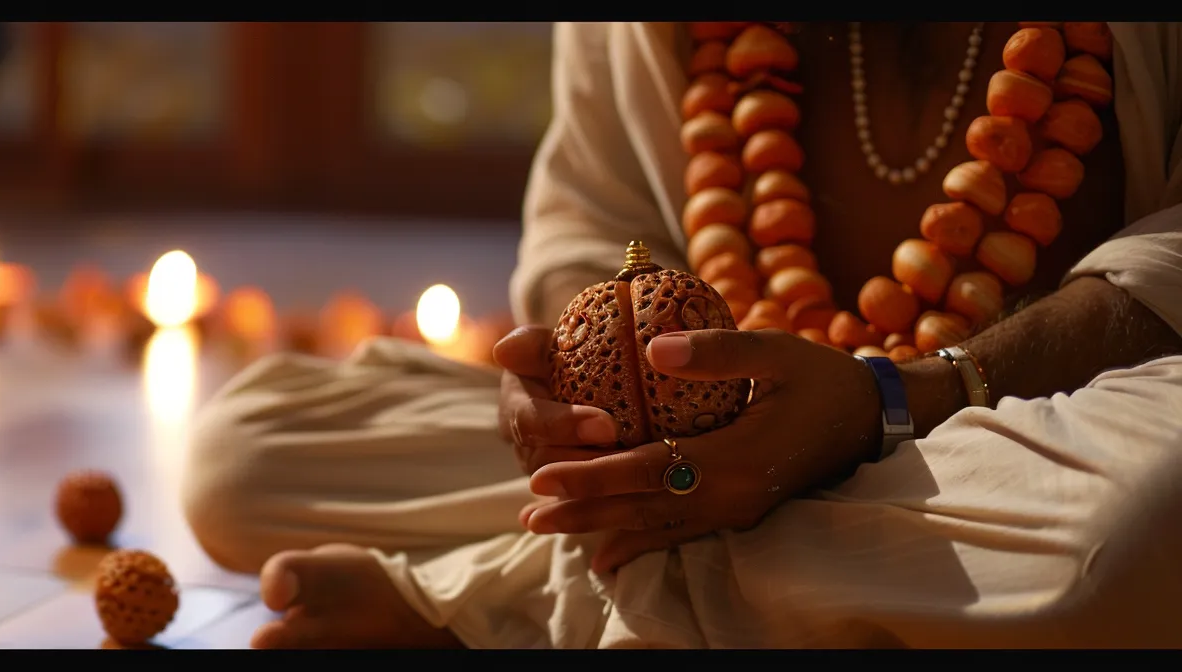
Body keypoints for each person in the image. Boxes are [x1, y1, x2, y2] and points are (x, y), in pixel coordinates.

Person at [180, 21, 1182, 649]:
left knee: (1142, 533)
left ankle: (507, 599)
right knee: (245, 450)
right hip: (718, 445)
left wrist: (892, 400)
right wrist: (576, 398)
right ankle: (784, 574)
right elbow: (588, 214)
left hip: (1028, 433)